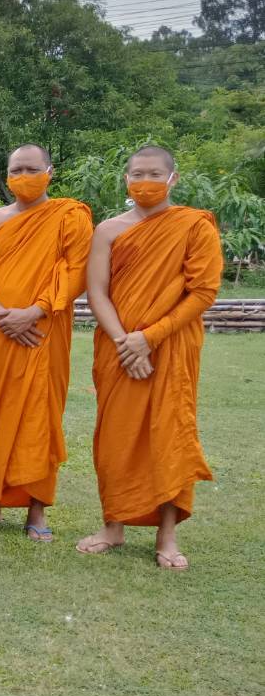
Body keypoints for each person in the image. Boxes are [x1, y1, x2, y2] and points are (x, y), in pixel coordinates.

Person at [78, 146, 222, 570]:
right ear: (126, 179)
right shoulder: (108, 230)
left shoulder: (194, 226)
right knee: (115, 437)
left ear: (172, 178)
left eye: (154, 174)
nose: (145, 181)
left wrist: (149, 338)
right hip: (118, 347)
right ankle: (112, 525)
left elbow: (203, 292)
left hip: (171, 345)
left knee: (169, 435)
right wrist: (126, 342)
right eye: (137, 174)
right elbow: (96, 292)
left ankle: (167, 535)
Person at [0, 144, 92, 540]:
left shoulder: (70, 217)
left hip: (43, 331)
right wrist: (4, 316)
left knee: (40, 417)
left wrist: (33, 312)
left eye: (32, 169)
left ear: (50, 172)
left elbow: (77, 272)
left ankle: (37, 512)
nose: (23, 176)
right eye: (16, 169)